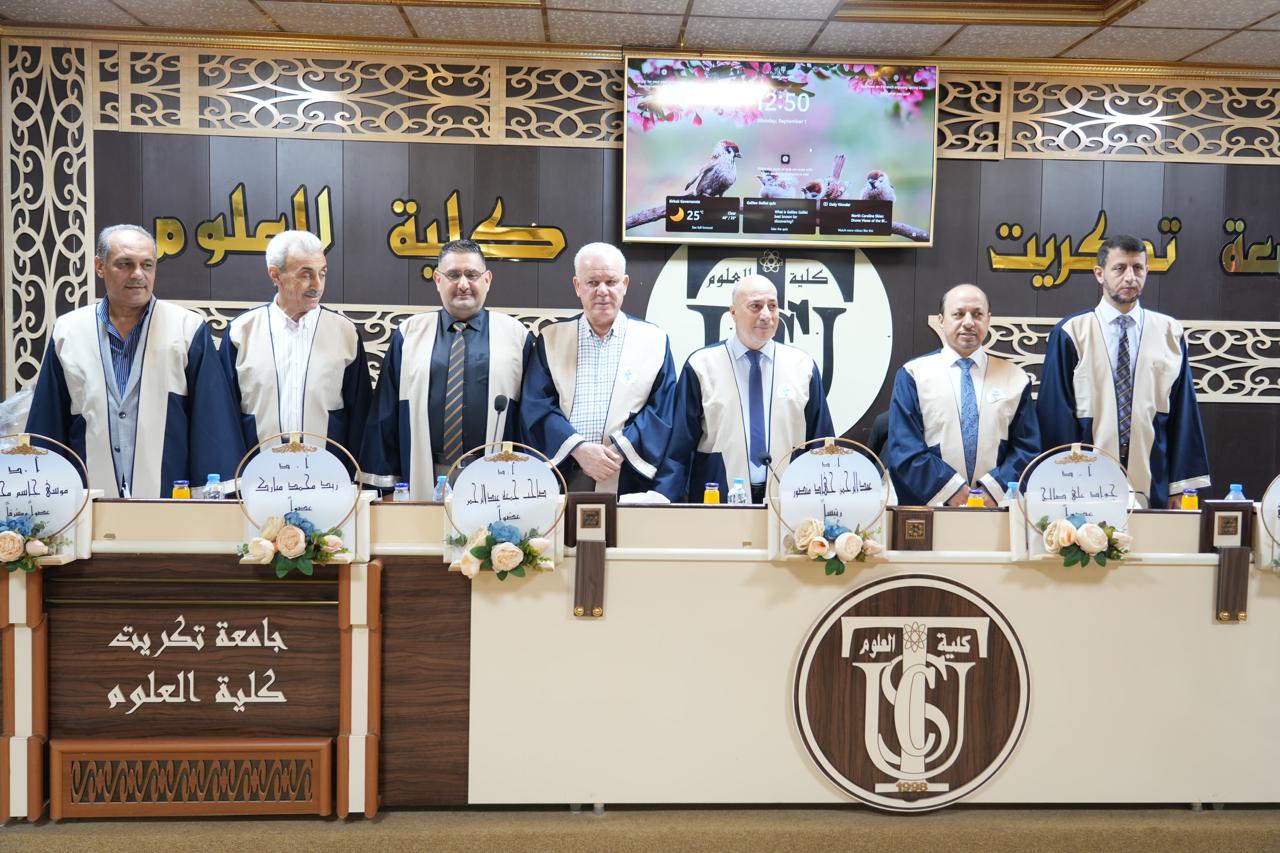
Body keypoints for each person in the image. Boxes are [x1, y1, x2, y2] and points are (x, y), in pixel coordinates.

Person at [25, 224, 243, 498]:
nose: (138, 274)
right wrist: (42, 498)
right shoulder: (68, 332)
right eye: (125, 264)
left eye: (147, 265)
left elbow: (211, 426)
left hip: (168, 499)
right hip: (90, 502)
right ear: (100, 266)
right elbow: (49, 424)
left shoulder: (186, 329)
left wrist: (210, 503)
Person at [1037, 234, 1209, 508]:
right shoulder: (1072, 332)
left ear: (1147, 271)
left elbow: (1183, 412)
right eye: (1119, 268)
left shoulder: (1169, 332)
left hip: (1153, 473)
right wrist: (1063, 483)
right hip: (1084, 479)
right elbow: (1055, 414)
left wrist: (1180, 487)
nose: (1130, 277)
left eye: (1137, 268)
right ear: (1099, 273)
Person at [361, 239, 531, 498]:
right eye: (453, 275)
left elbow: (530, 416)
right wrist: (382, 487)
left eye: (472, 275)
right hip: (425, 470)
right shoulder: (409, 334)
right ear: (438, 280)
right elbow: (385, 413)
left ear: (487, 280)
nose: (463, 284)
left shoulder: (515, 336)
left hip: (496, 472)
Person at [655, 275, 833, 503]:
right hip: (718, 498)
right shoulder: (702, 366)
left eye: (772, 306)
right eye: (755, 306)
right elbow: (679, 447)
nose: (766, 315)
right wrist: (663, 501)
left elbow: (821, 443)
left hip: (789, 500)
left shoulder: (802, 367)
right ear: (733, 312)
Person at [520, 242, 676, 494]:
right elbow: (537, 405)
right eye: (592, 283)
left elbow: (661, 410)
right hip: (566, 472)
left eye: (611, 282)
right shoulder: (551, 339)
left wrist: (621, 450)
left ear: (625, 284)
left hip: (626, 472)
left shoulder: (654, 340)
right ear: (577, 286)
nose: (602, 291)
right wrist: (579, 449)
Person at [219, 230, 371, 462]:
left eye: (322, 273)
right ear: (275, 275)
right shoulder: (242, 332)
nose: (317, 285)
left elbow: (361, 415)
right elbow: (224, 415)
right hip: (257, 473)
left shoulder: (344, 333)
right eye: (306, 275)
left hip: (328, 473)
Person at [885, 284, 1040, 506]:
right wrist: (951, 490)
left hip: (995, 509)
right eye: (958, 314)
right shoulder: (914, 374)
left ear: (988, 319)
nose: (968, 322)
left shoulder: (1015, 378)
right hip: (930, 508)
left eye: (977, 314)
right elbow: (904, 447)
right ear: (941, 320)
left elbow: (1027, 448)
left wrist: (993, 490)